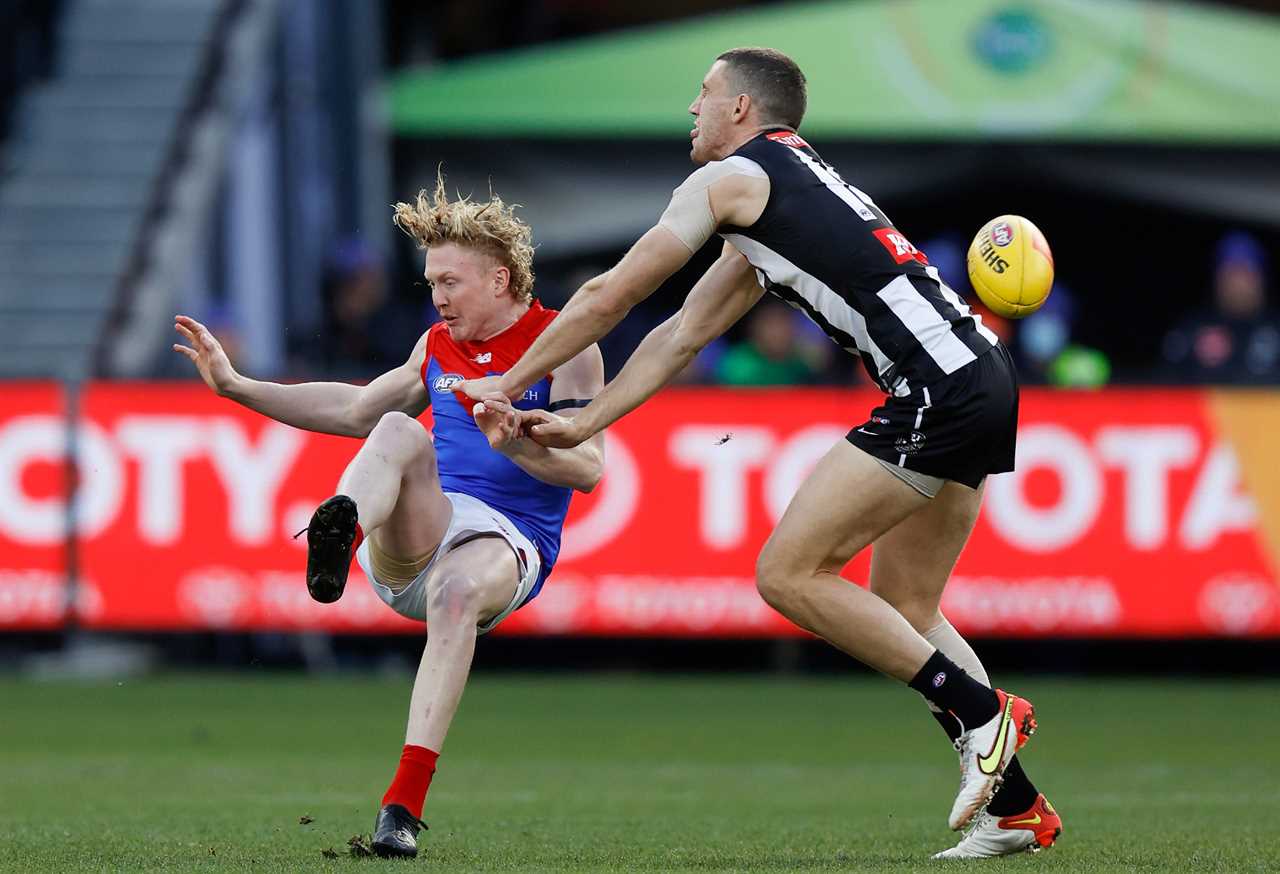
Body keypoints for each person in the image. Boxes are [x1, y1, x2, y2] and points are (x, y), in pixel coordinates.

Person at [462, 47, 1059, 859]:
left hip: (937, 389)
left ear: (742, 109)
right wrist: (583, 419)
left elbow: (613, 294)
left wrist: (508, 380)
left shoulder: (729, 179)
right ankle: (1015, 807)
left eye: (703, 94)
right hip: (979, 373)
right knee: (906, 607)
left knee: (787, 573)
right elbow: (679, 335)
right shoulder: (779, 201)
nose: (691, 109)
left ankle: (982, 712)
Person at [172, 174, 605, 859]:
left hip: (507, 541)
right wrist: (237, 386)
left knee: (458, 592)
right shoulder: (436, 345)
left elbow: (588, 470)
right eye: (431, 281)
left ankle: (400, 809)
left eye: (450, 282)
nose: (436, 296)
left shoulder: (568, 344)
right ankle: (340, 527)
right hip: (421, 527)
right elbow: (352, 411)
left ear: (499, 279)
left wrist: (516, 435)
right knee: (399, 433)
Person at [1162, 231, 1279, 384]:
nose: (1238, 283)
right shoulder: (1192, 329)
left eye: (1246, 272)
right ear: (1217, 279)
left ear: (1261, 279)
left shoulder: (1275, 328)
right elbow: (1164, 383)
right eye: (1231, 272)